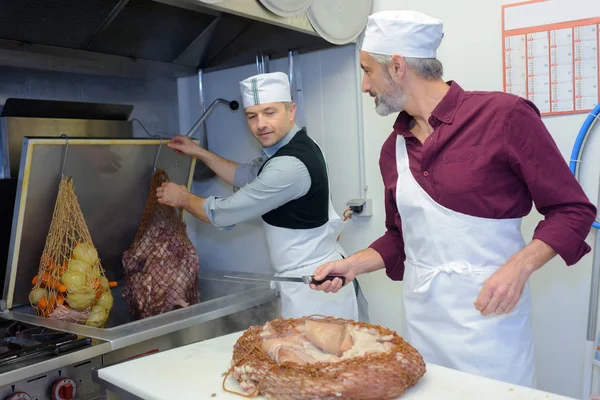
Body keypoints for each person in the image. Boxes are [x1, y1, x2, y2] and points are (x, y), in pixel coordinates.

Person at [310, 10, 597, 388]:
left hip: (492, 324)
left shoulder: (504, 117)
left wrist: (519, 267)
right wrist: (351, 265)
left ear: (397, 67)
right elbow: (402, 238)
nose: (365, 86)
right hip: (424, 326)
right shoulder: (392, 151)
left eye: (367, 71)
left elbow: (572, 210)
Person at [156, 71, 368, 322]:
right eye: (252, 116)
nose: (260, 125)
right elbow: (246, 174)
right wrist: (199, 153)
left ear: (291, 111)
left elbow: (224, 212)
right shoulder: (298, 146)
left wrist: (182, 197)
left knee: (320, 360)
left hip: (316, 288)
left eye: (270, 112)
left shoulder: (289, 166)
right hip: (313, 277)